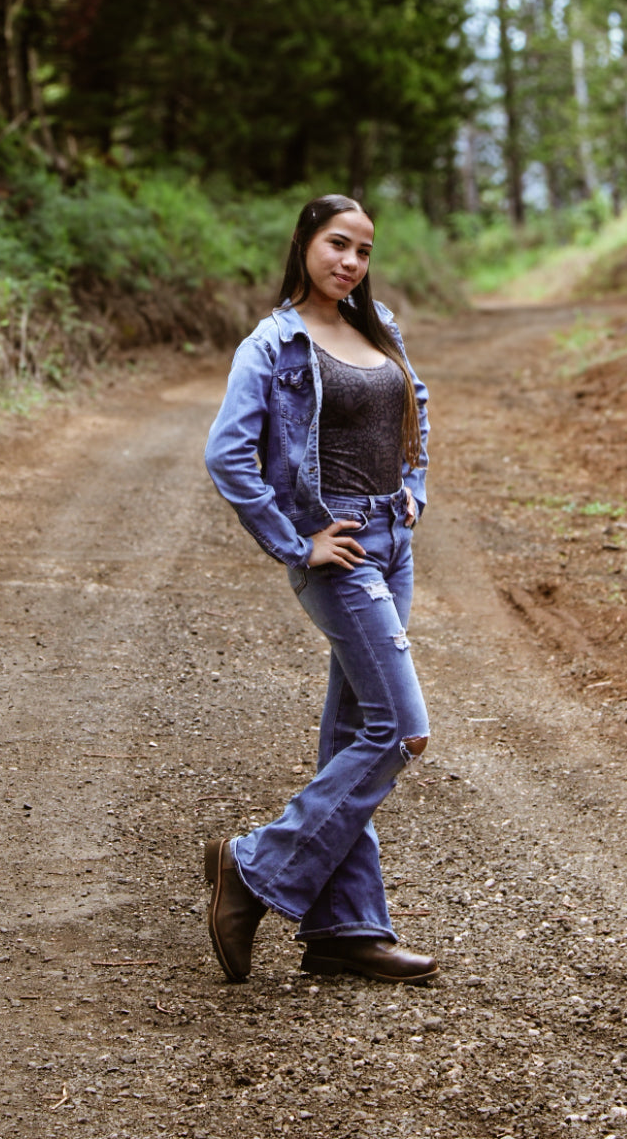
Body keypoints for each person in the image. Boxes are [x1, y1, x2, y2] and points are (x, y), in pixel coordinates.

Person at [203, 193, 436, 986]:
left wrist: (412, 485)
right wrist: (293, 540)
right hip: (339, 555)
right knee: (399, 731)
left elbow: (414, 404)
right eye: (338, 244)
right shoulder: (272, 344)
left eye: (363, 251)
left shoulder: (379, 327)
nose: (351, 262)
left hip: (392, 543)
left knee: (355, 733)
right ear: (305, 241)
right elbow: (226, 455)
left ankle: (344, 928)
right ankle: (252, 864)